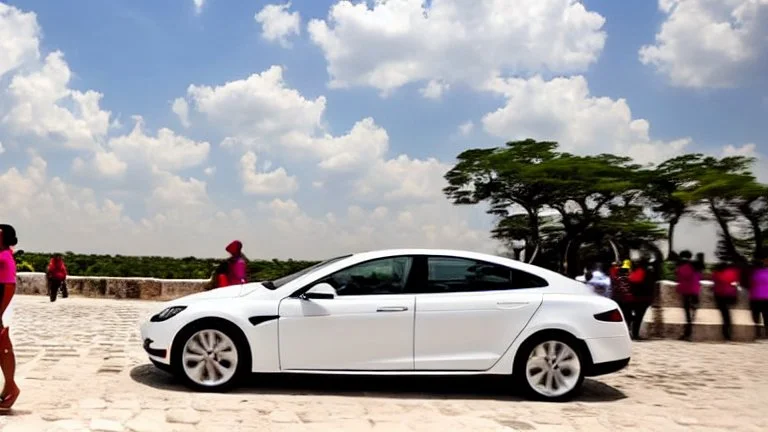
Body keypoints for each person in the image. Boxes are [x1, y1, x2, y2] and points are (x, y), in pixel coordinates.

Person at [0, 224, 20, 410]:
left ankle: (11, 387)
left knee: (3, 347)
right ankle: (9, 387)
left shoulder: (5, 258)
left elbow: (9, 286)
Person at [711, 260, 740, 341]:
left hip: (719, 296)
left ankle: (726, 333)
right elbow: (735, 282)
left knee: (725, 315)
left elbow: (714, 281)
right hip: (730, 296)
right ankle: (728, 333)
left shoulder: (716, 273)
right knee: (727, 316)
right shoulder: (732, 272)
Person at [676, 250, 701, 341]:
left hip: (687, 291)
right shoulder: (696, 266)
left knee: (688, 315)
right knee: (692, 314)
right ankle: (688, 334)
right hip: (695, 291)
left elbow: (682, 276)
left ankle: (687, 334)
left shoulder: (684, 266)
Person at [628, 257, 656, 340]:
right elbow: (649, 285)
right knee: (638, 317)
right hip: (643, 298)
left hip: (635, 297)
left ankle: (632, 332)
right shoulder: (646, 272)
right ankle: (635, 334)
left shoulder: (633, 272)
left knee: (634, 316)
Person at [748, 258, 768, 339]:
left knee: (755, 316)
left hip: (755, 298)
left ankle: (757, 333)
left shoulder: (753, 274)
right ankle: (767, 333)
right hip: (766, 298)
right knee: (767, 316)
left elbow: (749, 285)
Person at [612, 260, 634, 329]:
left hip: (619, 299)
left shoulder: (617, 279)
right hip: (628, 300)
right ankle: (628, 328)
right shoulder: (631, 279)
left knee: (622, 314)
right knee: (628, 315)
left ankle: (621, 328)